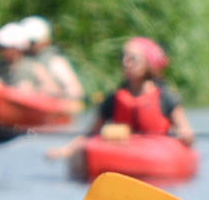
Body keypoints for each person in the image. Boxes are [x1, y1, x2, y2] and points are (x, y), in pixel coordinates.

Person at [46, 36, 193, 162]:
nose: (125, 62)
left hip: (157, 154)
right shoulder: (114, 99)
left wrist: (185, 136)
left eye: (132, 58)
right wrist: (67, 150)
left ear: (148, 63)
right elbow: (91, 134)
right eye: (123, 57)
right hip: (123, 152)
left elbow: (185, 131)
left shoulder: (166, 97)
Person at [19, 15, 84, 106]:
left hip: (48, 107)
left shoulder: (54, 61)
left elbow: (74, 90)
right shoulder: (20, 60)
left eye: (31, 42)